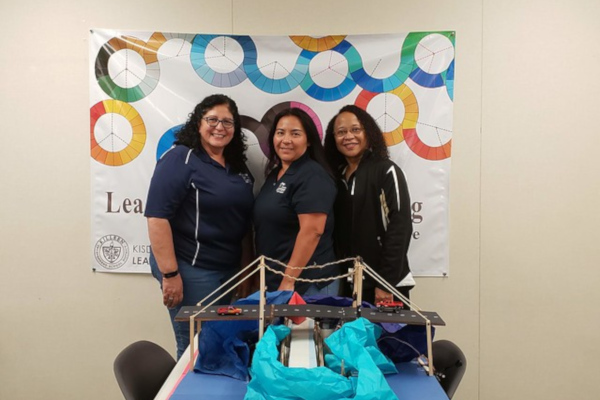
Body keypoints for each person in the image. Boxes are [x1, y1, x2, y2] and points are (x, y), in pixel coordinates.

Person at [144, 94, 254, 358]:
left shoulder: (237, 166)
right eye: (212, 119)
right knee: (195, 349)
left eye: (227, 122)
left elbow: (244, 221)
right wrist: (170, 274)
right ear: (198, 123)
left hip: (226, 270)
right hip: (190, 268)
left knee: (217, 345)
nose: (219, 127)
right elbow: (157, 217)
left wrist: (246, 269)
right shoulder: (180, 158)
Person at [324, 105, 415, 306]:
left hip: (386, 285)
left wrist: (385, 283)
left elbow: (400, 227)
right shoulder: (335, 177)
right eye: (341, 132)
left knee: (389, 338)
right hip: (349, 283)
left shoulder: (387, 171)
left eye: (356, 129)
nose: (348, 136)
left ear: (368, 132)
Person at [253, 108, 339, 296]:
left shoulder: (312, 175)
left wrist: (288, 281)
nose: (286, 140)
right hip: (276, 282)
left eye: (295, 134)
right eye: (280, 133)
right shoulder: (275, 175)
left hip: (306, 285)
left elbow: (312, 231)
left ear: (308, 141)